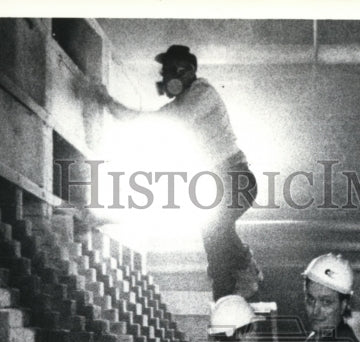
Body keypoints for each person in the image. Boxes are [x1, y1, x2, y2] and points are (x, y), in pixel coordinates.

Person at [78, 44, 261, 300]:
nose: (164, 79)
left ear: (186, 71)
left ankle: (244, 270)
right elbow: (143, 120)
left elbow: (175, 121)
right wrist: (107, 101)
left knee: (215, 228)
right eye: (163, 73)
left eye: (168, 72)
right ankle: (225, 297)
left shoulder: (203, 93)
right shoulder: (180, 104)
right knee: (212, 238)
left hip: (236, 178)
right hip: (219, 182)